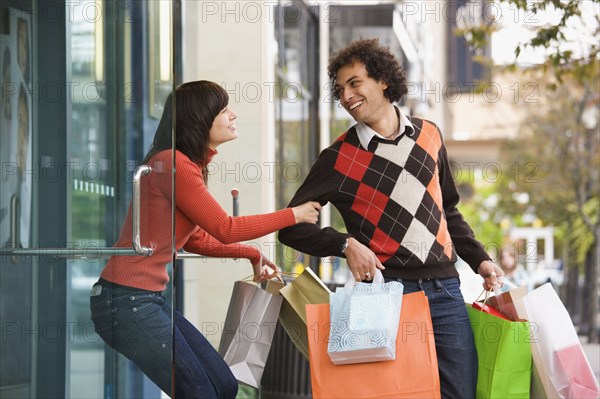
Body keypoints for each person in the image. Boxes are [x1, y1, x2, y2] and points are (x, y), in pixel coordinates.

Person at [278, 38, 504, 399]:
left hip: (446, 292)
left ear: (383, 80)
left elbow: (448, 210)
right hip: (386, 296)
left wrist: (481, 261)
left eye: (355, 83)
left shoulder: (430, 135)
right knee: (401, 394)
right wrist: (345, 244)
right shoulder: (337, 157)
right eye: (340, 90)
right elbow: (290, 227)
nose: (347, 96)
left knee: (461, 393)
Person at [90, 80, 321, 398]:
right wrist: (293, 215)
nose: (233, 115)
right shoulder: (173, 163)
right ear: (200, 118)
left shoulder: (185, 165)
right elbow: (225, 227)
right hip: (125, 303)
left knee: (223, 384)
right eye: (224, 109)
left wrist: (251, 254)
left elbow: (197, 239)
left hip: (144, 300)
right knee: (199, 391)